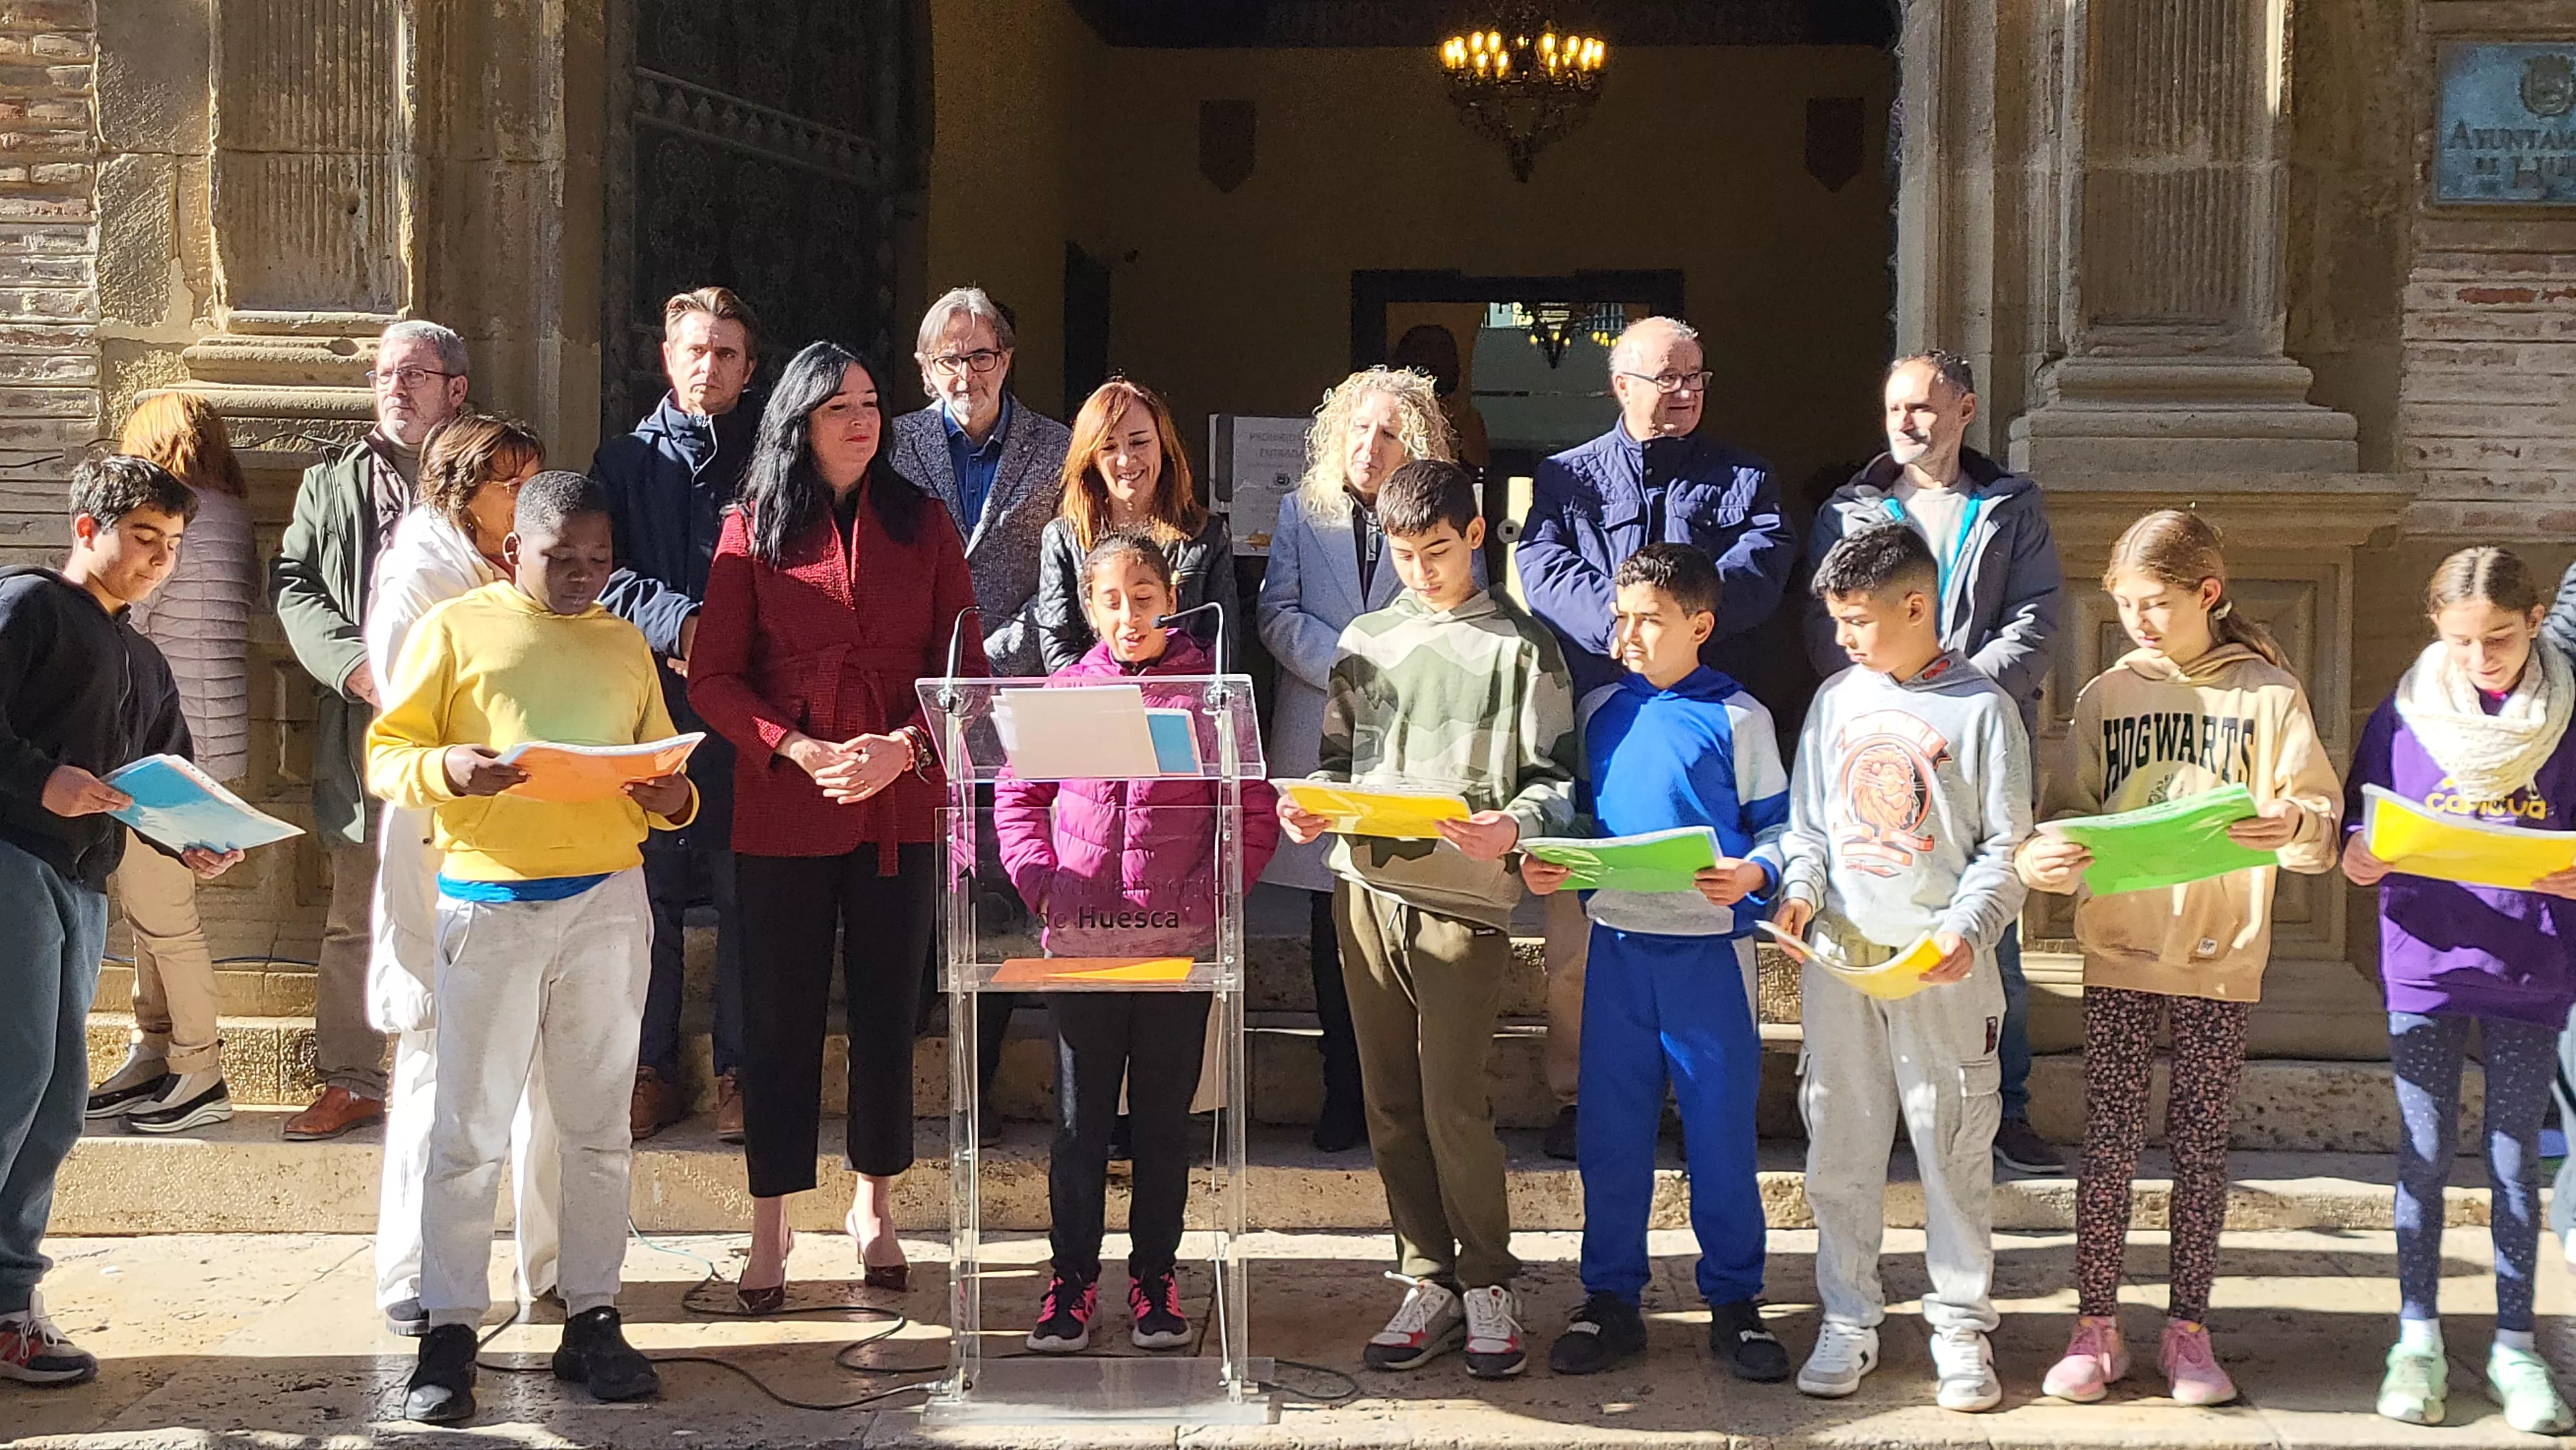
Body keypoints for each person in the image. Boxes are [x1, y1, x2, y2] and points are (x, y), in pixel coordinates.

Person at [366, 470, 690, 1424]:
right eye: (561, 559)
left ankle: (592, 1313)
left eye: (598, 559)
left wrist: (674, 797)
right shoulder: (457, 630)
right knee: (468, 1129)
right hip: (490, 902)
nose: (582, 575)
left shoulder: (626, 642)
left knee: (595, 1124)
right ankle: (451, 1327)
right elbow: (389, 755)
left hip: (605, 901)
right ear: (515, 551)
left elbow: (664, 764)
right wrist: (449, 766)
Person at [2016, 509, 2339, 1409]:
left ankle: (2190, 1331)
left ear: (2209, 593)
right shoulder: (2109, 695)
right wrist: (2041, 857)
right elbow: (2065, 814)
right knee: (2109, 1145)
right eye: (2126, 605)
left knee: (2200, 1146)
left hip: (2219, 953)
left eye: (2156, 603)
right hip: (2120, 948)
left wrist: (2295, 827)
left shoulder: (2270, 694)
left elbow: (2318, 826)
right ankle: (2096, 1326)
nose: (2140, 622)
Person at [690, 342, 983, 1311]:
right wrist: (795, 747)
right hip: (786, 800)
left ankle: (876, 1206)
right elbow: (714, 678)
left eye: (870, 404)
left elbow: (969, 674)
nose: (862, 422)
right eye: (838, 408)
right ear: (798, 422)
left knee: (890, 1014)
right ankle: (770, 1224)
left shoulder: (925, 521)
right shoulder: (752, 525)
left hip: (901, 796)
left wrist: (908, 746)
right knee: (778, 1018)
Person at [1277, 458, 1575, 1381]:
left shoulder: (1524, 648)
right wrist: (1311, 805)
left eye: (1437, 552)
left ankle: (1490, 1279)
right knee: (1389, 1104)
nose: (1420, 572)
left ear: (1476, 535)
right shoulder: (1366, 639)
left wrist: (1513, 826)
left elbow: (1557, 783)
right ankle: (1428, 1277)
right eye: (1404, 555)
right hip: (1363, 893)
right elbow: (1337, 758)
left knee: (1452, 1099)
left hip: (1462, 906)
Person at [1515, 316, 1795, 1162]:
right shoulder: (1565, 478)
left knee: (1700, 917)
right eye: (1667, 378)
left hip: (1705, 726)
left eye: (1696, 377)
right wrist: (1627, 627)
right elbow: (1542, 567)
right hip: (1603, 716)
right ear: (1620, 386)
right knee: (1583, 936)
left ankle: (1698, 1097)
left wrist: (1679, 631)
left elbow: (1762, 565)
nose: (1684, 393)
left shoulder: (1744, 475)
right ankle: (1581, 1092)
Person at [995, 531, 1282, 1353]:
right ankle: (1070, 1280)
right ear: (1088, 606)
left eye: (1145, 597)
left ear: (1172, 597)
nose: (1130, 615)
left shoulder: (1210, 698)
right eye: (1111, 600)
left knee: (1163, 1123)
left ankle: (1156, 1272)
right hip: (1082, 944)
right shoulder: (1062, 693)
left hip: (1174, 945)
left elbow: (1248, 813)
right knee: (1081, 1124)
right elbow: (1017, 799)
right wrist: (1046, 883)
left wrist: (1205, 897)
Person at [1765, 522, 2028, 1413]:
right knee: (1840, 1144)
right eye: (1837, 620)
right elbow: (1806, 826)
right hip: (1843, 962)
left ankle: (1959, 1325)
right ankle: (1848, 1314)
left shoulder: (1983, 709)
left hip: (1942, 968)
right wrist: (1799, 892)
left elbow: (2005, 847)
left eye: (1857, 621)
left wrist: (1969, 929)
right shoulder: (1836, 699)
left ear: (1916, 607)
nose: (1843, 639)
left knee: (1953, 1145)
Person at [1519, 543, 1790, 1383]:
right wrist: (1547, 858)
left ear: (1700, 625)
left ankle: (1738, 1302)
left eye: (1649, 620)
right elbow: (1574, 820)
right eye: (1620, 617)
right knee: (1609, 1134)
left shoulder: (1741, 718)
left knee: (1718, 1136)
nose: (1626, 634)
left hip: (1711, 959)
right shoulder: (1600, 711)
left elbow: (1782, 831)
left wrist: (1756, 873)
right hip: (1619, 955)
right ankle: (1609, 1300)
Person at [1, 456, 240, 1387]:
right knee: (12, 1082)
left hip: (84, 883)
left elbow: (166, 779)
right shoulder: (27, 610)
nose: (158, 561)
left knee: (56, 1100)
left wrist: (199, 842)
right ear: (86, 527)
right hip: (15, 859)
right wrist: (37, 780)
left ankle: (13, 1305)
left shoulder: (143, 657)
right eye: (144, 538)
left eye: (173, 546)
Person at [1807, 352, 2064, 1176]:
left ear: (1963, 410)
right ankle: (1875, 1104)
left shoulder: (2008, 505)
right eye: (1893, 409)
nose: (1906, 422)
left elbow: (2036, 613)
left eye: (1922, 407)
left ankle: (2006, 1107)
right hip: (1879, 749)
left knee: (1993, 934)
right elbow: (1828, 628)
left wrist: (1957, 697)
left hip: (1979, 740)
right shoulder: (1850, 509)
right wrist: (1898, 697)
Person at [2341, 548, 2575, 1433]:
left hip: (2533, 960)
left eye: (2504, 641)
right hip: (2427, 960)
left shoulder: (2569, 716)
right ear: (2435, 626)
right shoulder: (2401, 717)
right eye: (2465, 641)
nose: (2484, 661)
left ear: (2538, 618)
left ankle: (2516, 1346)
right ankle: (2418, 1340)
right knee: (2423, 1155)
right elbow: (2356, 833)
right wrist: (2358, 857)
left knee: (2517, 1159)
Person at [361, 414, 560, 1337]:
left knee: (534, 1069)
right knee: (439, 1060)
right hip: (444, 844)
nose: (524, 502)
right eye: (508, 485)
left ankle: (543, 1268)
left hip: (527, 843)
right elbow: (414, 723)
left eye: (533, 483)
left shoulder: (504, 569)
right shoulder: (418, 577)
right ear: (456, 488)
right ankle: (413, 1272)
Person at [270, 319, 473, 1141]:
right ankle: (352, 1076)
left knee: (472, 903)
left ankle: (466, 1068)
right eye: (386, 373)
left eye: (417, 374)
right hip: (367, 728)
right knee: (358, 908)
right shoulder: (331, 480)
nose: (397, 386)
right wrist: (355, 666)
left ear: (456, 388)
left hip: (469, 727)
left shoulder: (487, 472)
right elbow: (295, 584)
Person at [1256, 366, 1463, 1153]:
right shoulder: (1301, 510)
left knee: (1400, 916)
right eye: (1357, 430)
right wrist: (1356, 659)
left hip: (1410, 734)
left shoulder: (1437, 514)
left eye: (1387, 433)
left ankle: (1400, 1097)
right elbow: (1275, 612)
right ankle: (1343, 1092)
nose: (1368, 447)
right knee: (1326, 926)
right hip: (1320, 730)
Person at [593, 286, 764, 1143]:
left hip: (749, 713)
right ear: (668, 357)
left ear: (749, 366)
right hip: (648, 707)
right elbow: (599, 570)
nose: (710, 366)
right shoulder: (622, 462)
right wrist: (681, 623)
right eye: (697, 350)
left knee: (746, 893)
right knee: (648, 893)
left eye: (728, 353)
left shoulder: (777, 458)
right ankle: (648, 1069)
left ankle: (739, 1071)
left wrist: (731, 639)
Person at [82, 395, 261, 1133]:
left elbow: (130, 625)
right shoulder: (234, 517)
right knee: (152, 912)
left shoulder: (163, 530)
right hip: (214, 740)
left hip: (158, 745)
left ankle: (198, 1068)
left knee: (165, 919)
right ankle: (152, 1051)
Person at [886, 285, 1072, 677]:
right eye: (949, 360)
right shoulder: (892, 447)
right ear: (927, 372)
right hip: (918, 679)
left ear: (1005, 361)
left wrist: (990, 662)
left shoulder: (1059, 448)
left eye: (981, 357)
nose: (966, 375)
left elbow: (1067, 574)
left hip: (1023, 677)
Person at [1032, 379, 1235, 673]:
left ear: (1164, 447)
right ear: (1091, 459)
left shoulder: (1207, 534)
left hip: (1179, 705)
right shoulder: (1063, 537)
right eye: (1109, 447)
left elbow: (1222, 647)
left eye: (1139, 442)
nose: (1126, 459)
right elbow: (1058, 646)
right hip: (1093, 707)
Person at [1388, 323, 1490, 475]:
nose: (1433, 358)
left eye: (1443, 352)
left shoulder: (1467, 417)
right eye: (1421, 350)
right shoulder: (1386, 413)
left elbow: (1479, 471)